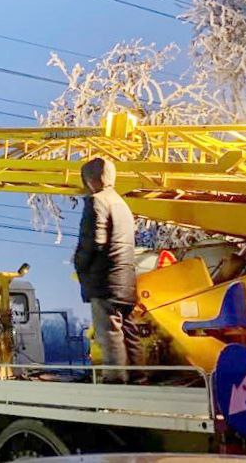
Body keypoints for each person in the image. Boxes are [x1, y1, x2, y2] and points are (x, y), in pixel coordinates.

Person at [74, 156, 142, 383]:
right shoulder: (122, 204)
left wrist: (79, 263)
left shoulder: (97, 201)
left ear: (91, 179)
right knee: (129, 332)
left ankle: (116, 380)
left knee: (110, 333)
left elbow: (93, 242)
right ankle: (139, 374)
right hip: (126, 279)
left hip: (105, 280)